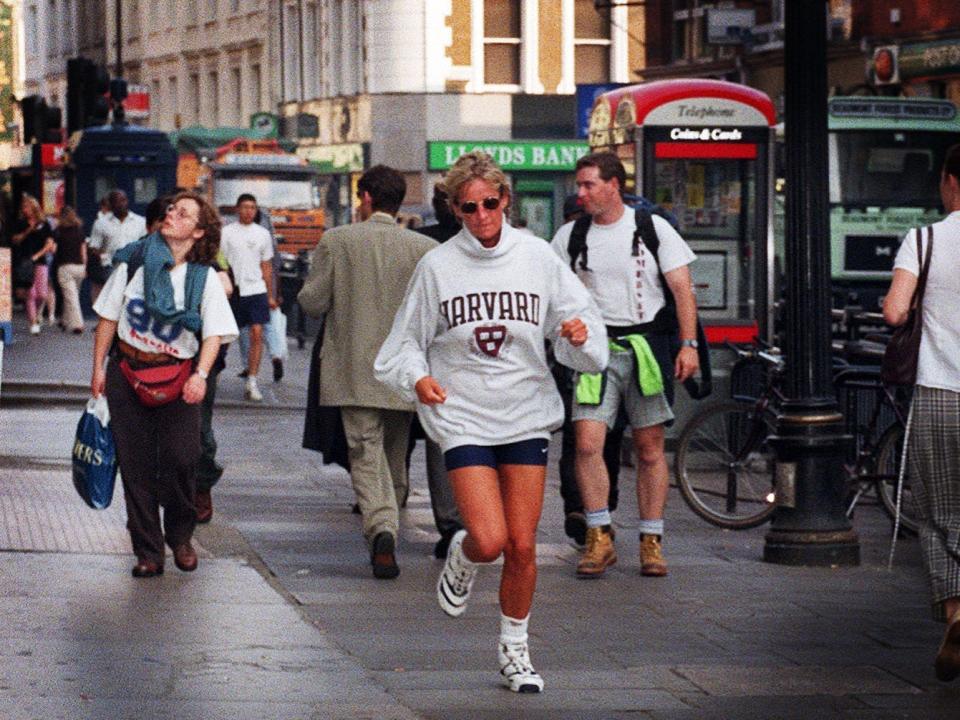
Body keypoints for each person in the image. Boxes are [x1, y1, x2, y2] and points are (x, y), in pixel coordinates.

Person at [374, 151, 607, 693]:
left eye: (490, 203)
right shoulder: (437, 266)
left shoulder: (537, 257)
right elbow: (405, 342)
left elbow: (580, 324)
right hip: (464, 415)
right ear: (454, 209)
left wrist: (576, 336)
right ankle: (463, 552)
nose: (480, 215)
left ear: (506, 200)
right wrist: (417, 380)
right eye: (467, 207)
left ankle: (515, 652)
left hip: (525, 410)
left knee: (522, 545)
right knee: (489, 536)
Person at [551, 151, 699, 579]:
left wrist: (687, 345)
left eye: (589, 185)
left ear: (613, 185)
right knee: (586, 444)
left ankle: (651, 541)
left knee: (650, 448)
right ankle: (599, 535)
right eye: (579, 185)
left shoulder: (651, 229)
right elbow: (554, 293)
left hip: (647, 346)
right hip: (594, 350)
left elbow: (682, 289)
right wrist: (566, 327)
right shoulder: (570, 235)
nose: (581, 193)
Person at [298, 165, 437, 580]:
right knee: (395, 456)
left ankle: (381, 528)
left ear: (367, 198)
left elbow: (312, 302)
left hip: (352, 370)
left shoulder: (337, 241)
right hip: (404, 372)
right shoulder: (424, 249)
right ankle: (388, 523)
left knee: (364, 452)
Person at [90, 191, 238, 578]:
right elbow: (108, 317)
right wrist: (99, 370)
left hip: (178, 377)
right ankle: (148, 551)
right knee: (135, 467)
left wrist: (200, 376)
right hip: (128, 372)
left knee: (181, 460)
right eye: (171, 208)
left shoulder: (202, 277)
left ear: (198, 230)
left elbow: (214, 335)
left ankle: (181, 536)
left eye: (183, 212)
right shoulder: (135, 262)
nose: (172, 214)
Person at [883, 143, 960, 683]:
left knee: (940, 513)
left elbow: (894, 311)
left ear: (949, 182)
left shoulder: (925, 239)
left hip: (938, 392)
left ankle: (956, 612)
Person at [552, 193, 625, 545]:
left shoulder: (583, 241)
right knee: (594, 436)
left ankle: (586, 507)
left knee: (583, 436)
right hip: (580, 348)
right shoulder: (570, 242)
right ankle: (596, 508)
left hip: (602, 347)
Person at [415, 184, 465, 558]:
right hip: (466, 358)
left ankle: (451, 523)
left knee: (440, 442)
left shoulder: (422, 242)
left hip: (437, 358)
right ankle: (467, 519)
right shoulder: (479, 242)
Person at [219, 193, 274, 402]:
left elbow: (266, 266)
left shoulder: (263, 234)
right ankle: (214, 371)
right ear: (237, 209)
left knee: (257, 334)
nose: (249, 211)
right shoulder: (226, 233)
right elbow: (220, 260)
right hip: (233, 290)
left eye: (252, 207)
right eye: (245, 207)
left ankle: (252, 380)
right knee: (224, 337)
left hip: (256, 289)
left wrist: (270, 295)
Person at [88, 190, 147, 302]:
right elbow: (94, 246)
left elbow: (145, 243)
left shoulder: (140, 222)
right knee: (114, 299)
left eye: (123, 200)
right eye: (116, 201)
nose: (121, 204)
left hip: (135, 266)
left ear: (127, 201)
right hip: (111, 267)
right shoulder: (101, 223)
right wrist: (102, 257)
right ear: (110, 204)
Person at [10, 195, 56, 335]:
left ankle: (36, 313)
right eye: (23, 207)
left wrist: (38, 255)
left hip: (40, 261)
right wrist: (27, 231)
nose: (25, 210)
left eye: (28, 207)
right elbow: (15, 239)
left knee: (41, 294)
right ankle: (33, 321)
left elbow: (50, 243)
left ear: (34, 207)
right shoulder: (20, 223)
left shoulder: (44, 224)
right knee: (31, 292)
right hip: (25, 260)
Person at [53, 205, 87, 334]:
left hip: (65, 267)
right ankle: (65, 320)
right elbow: (83, 251)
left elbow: (54, 249)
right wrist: (85, 266)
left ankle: (78, 324)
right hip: (79, 267)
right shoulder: (79, 230)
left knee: (71, 297)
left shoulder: (59, 231)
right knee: (72, 295)